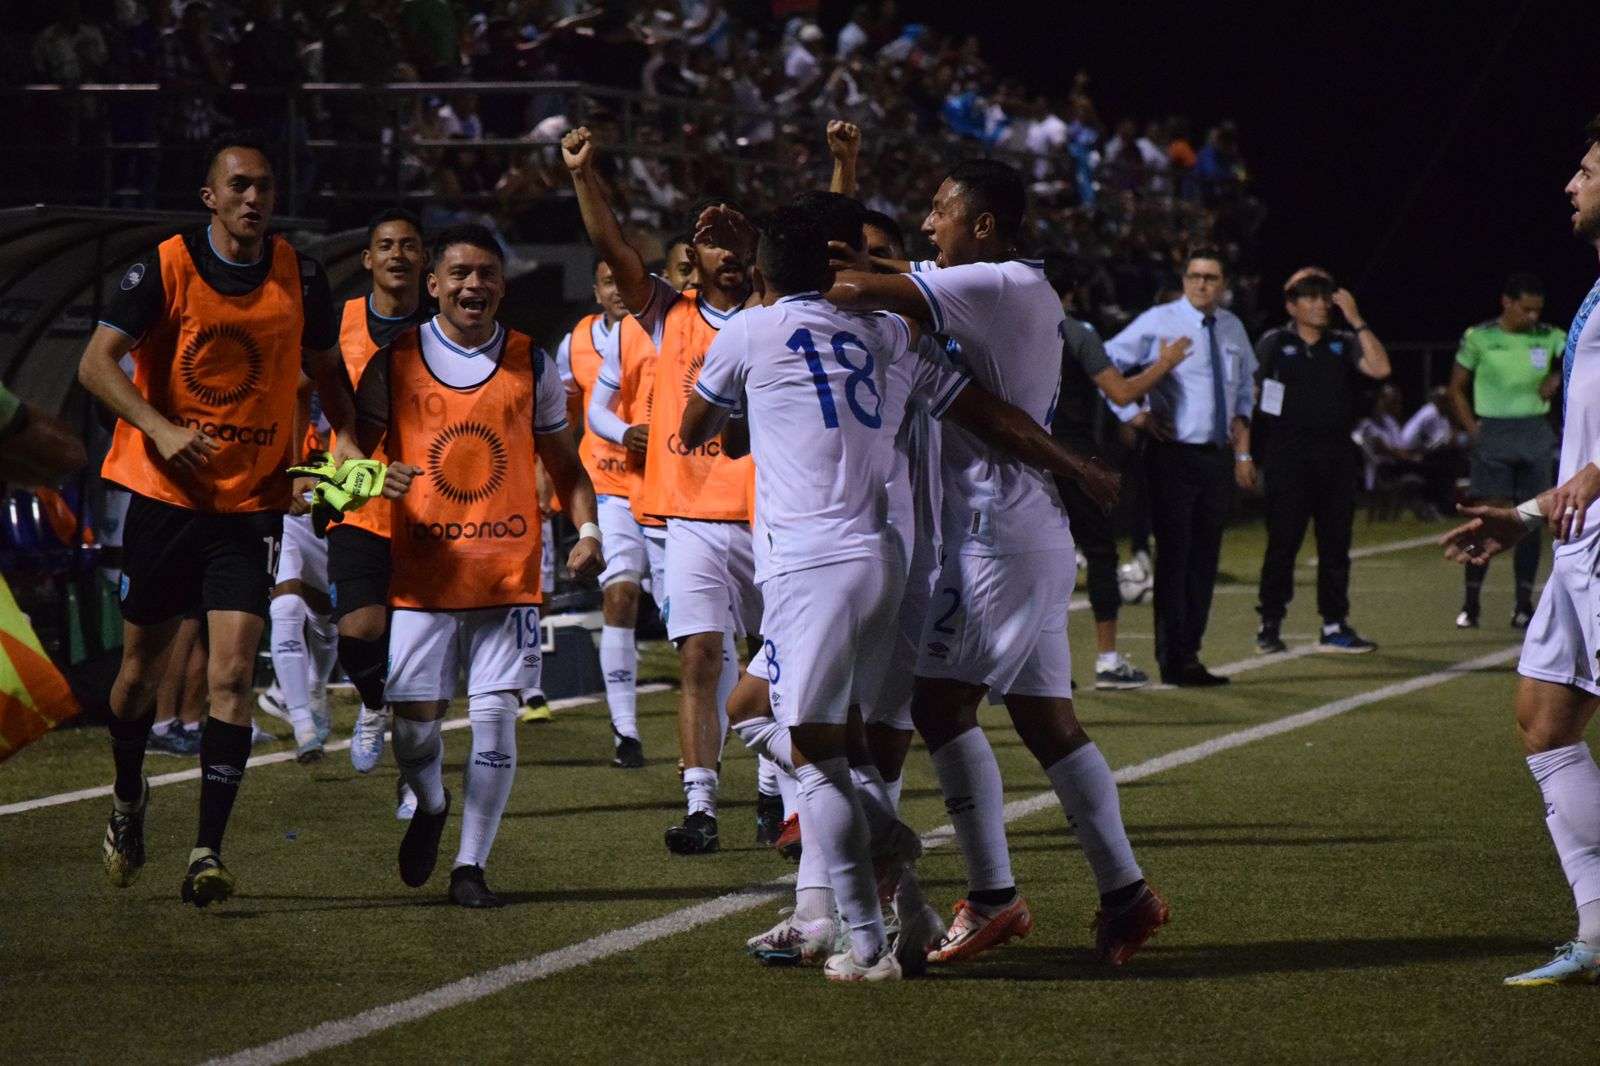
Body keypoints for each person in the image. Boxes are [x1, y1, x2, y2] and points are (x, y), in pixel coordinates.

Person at [825, 159, 1167, 968]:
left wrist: (784, 260)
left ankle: (991, 896)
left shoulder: (992, 284)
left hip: (996, 537)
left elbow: (852, 288)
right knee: (1049, 723)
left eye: (941, 208)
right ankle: (1126, 896)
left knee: (938, 709)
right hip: (1019, 531)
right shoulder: (1008, 284)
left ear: (981, 225)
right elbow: (887, 273)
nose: (929, 219)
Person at [77, 131, 405, 906]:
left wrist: (345, 456)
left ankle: (206, 853)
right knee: (135, 682)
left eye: (264, 186)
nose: (254, 198)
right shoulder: (164, 266)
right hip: (165, 500)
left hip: (250, 507)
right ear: (211, 197)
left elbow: (328, 376)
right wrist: (159, 428)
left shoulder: (302, 274)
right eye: (240, 186)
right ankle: (129, 797)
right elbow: (94, 364)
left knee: (230, 677)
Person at [679, 206, 931, 982]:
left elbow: (695, 426)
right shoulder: (882, 330)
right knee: (755, 710)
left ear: (759, 276)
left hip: (810, 563)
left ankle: (865, 943)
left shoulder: (749, 332)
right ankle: (902, 888)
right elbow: (904, 326)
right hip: (881, 556)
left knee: (819, 757)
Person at [353, 223, 603, 908]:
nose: (474, 285)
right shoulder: (397, 358)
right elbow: (347, 452)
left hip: (507, 574)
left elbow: (563, 461)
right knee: (414, 729)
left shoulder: (530, 361)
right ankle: (431, 804)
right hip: (424, 577)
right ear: (433, 284)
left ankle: (471, 866)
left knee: (495, 719)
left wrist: (587, 527)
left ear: (502, 285)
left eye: (487, 273)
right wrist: (374, 481)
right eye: (460, 273)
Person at [564, 125, 759, 855]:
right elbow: (616, 248)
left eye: (739, 244)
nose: (729, 254)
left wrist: (838, 170)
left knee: (775, 661)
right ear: (691, 258)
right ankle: (702, 806)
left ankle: (776, 794)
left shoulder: (774, 312)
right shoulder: (667, 314)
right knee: (699, 656)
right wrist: (587, 176)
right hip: (693, 519)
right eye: (713, 242)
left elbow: (817, 255)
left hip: (769, 514)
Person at [1439, 114, 1600, 986]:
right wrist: (1527, 515)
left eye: (1585, 171)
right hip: (1576, 538)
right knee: (1544, 720)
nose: (1570, 186)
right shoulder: (1593, 294)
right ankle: (1598, 928)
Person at [1105, 248, 1257, 686]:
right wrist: (1131, 414)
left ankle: (1190, 652)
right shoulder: (1161, 320)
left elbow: (1244, 390)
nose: (1202, 284)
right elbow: (1105, 362)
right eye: (1194, 276)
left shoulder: (1232, 327)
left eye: (1211, 277)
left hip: (1215, 454)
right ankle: (1174, 658)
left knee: (1205, 557)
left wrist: (1244, 453)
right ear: (1185, 279)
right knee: (1175, 554)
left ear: (1223, 284)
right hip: (1173, 454)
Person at [1043, 258, 1192, 689]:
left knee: (1033, 558)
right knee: (1100, 553)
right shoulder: (1076, 331)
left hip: (1021, 456)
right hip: (1075, 456)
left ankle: (1040, 667)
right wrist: (1164, 363)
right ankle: (1107, 660)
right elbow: (1121, 391)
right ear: (1071, 294)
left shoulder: (1007, 331)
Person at [327, 209, 431, 811]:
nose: (397, 255)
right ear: (368, 259)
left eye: (409, 246)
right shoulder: (340, 325)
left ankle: (415, 780)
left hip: (434, 509)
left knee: (419, 653)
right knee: (359, 631)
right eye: (386, 245)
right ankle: (371, 703)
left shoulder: (447, 328)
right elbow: (306, 400)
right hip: (360, 498)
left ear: (426, 263)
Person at [1251, 267, 1390, 655]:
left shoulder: (1343, 341)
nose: (1320, 304)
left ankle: (1334, 623)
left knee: (1335, 546)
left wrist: (1357, 319)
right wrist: (1246, 451)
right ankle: (1270, 622)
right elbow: (1252, 391)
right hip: (1287, 458)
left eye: (1323, 296)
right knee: (1282, 544)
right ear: (1291, 306)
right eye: (1309, 297)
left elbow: (1380, 368)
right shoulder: (1274, 343)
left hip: (1336, 459)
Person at [559, 259, 660, 768]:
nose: (619, 289)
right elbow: (566, 414)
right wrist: (555, 472)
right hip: (609, 489)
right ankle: (626, 732)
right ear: (596, 291)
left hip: (667, 487)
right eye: (608, 281)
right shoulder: (574, 342)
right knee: (619, 596)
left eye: (627, 279)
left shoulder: (665, 328)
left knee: (694, 621)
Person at [1447, 273, 1565, 629]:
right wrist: (1473, 431)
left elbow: (1585, 357)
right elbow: (1455, 388)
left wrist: (1557, 377)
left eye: (1537, 311)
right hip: (1493, 434)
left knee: (1529, 520)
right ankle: (1470, 604)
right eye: (1526, 309)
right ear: (1507, 302)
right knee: (1486, 517)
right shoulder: (1479, 337)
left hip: (1534, 433)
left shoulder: (1551, 336)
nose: (1532, 317)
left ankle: (1523, 605)